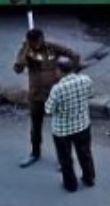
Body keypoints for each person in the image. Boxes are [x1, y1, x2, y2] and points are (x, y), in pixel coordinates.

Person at [13, 28, 80, 168]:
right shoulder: (27, 50)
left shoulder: (51, 47)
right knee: (35, 128)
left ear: (42, 39)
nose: (35, 45)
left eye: (37, 41)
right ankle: (35, 153)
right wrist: (25, 49)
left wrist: (69, 73)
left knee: (60, 129)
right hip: (36, 95)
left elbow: (74, 55)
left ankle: (64, 158)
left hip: (54, 94)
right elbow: (18, 69)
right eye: (32, 42)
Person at [45, 56, 96, 193]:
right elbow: (91, 95)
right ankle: (89, 178)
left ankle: (70, 185)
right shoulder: (86, 80)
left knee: (65, 158)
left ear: (59, 70)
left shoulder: (57, 89)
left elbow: (48, 110)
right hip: (83, 125)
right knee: (85, 153)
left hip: (62, 130)